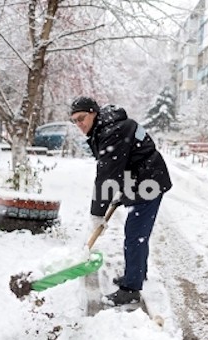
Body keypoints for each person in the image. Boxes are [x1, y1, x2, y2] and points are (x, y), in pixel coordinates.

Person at [70, 96, 172, 305]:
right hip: (139, 180)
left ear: (93, 113)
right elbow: (117, 166)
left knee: (135, 234)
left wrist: (97, 213)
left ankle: (131, 289)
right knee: (136, 234)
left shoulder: (112, 131)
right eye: (75, 121)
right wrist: (119, 192)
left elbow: (107, 174)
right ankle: (137, 274)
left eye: (82, 118)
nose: (79, 124)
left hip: (149, 182)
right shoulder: (105, 128)